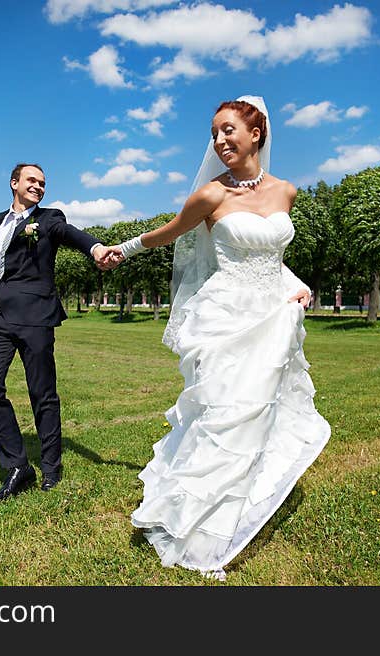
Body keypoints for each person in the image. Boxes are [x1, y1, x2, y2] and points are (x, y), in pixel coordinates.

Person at [107, 96, 331, 580]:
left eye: (228, 129)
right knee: (225, 413)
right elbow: (168, 233)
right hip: (224, 317)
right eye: (214, 133)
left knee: (261, 412)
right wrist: (119, 251)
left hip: (272, 316)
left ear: (257, 134)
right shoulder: (212, 196)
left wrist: (297, 284)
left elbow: (270, 257)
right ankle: (198, 522)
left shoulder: (287, 192)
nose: (219, 141)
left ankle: (246, 500)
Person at [0, 162, 116, 502]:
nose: (38, 186)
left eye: (42, 182)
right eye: (32, 180)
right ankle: (18, 465)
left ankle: (51, 466)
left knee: (42, 392)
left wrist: (95, 248)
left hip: (35, 315)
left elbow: (72, 235)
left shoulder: (49, 218)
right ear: (14, 183)